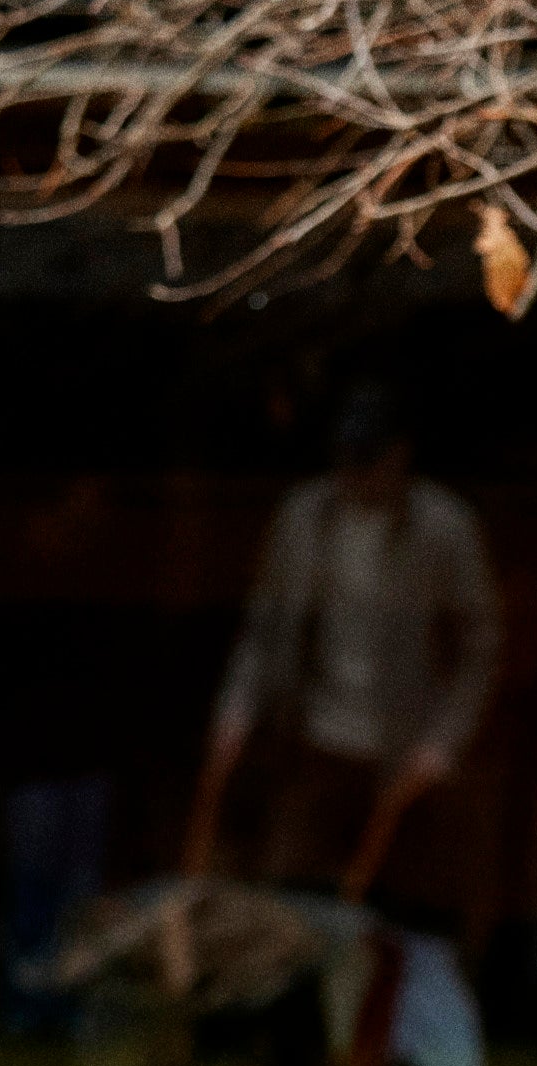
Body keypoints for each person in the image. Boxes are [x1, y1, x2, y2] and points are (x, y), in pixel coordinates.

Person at [187, 382, 500, 910]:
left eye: (367, 463)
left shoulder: (445, 530)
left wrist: (444, 742)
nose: (352, 476)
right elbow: (264, 627)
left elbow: (481, 648)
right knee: (290, 898)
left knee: (388, 911)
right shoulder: (303, 516)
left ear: (398, 456)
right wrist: (237, 709)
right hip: (314, 744)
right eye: (344, 461)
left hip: (400, 755)